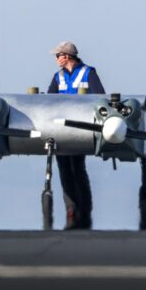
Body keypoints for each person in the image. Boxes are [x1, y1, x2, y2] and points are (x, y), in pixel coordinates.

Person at [47, 41, 105, 229]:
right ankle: (71, 209)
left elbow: (101, 97)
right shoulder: (58, 77)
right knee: (64, 168)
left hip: (81, 130)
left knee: (77, 168)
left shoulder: (89, 73)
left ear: (67, 56)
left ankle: (84, 210)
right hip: (61, 131)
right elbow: (47, 100)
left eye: (58, 55)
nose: (56, 59)